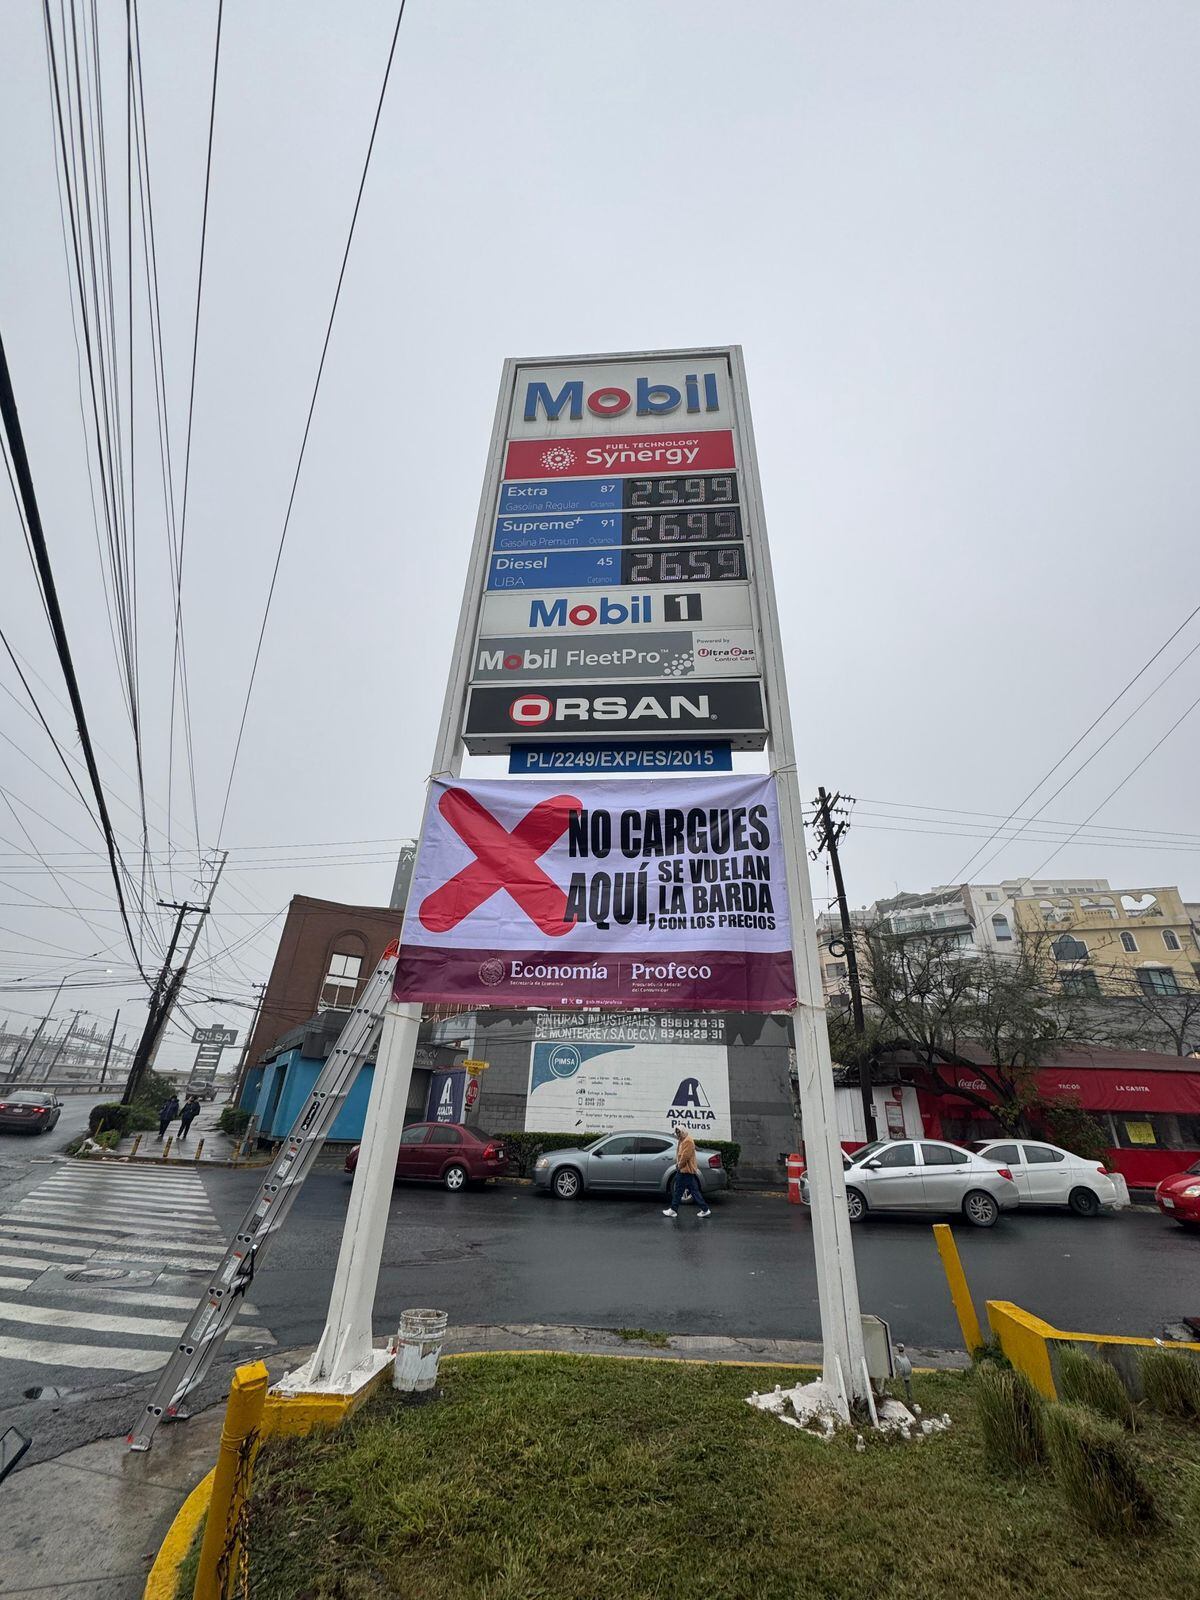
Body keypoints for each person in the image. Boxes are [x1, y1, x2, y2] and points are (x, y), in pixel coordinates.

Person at [662, 1125, 712, 1219]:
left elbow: (685, 1156)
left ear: (683, 1131)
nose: (677, 1134)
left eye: (679, 1132)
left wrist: (679, 1165)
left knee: (679, 1190)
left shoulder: (688, 1141)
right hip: (685, 1170)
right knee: (692, 1190)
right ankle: (705, 1209)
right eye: (677, 1132)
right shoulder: (683, 1140)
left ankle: (673, 1210)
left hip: (685, 1170)